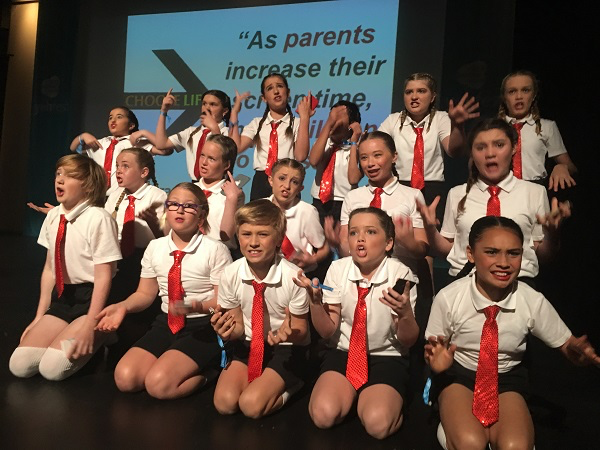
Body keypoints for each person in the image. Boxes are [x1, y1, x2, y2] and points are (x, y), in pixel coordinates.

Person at [425, 216, 600, 450]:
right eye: (492, 252)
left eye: (513, 253)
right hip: (460, 376)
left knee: (515, 445)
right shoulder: (449, 298)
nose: (504, 262)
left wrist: (575, 352)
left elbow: (566, 343)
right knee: (470, 443)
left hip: (507, 379)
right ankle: (451, 427)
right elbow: (434, 351)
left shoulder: (530, 299)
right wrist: (438, 364)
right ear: (470, 254)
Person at [95, 183, 232, 399]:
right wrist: (123, 307)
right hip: (167, 322)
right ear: (166, 210)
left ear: (201, 214)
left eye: (189, 206)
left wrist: (196, 306)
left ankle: (210, 372)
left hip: (203, 326)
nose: (180, 210)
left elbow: (223, 301)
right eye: (174, 204)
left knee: (158, 386)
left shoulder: (215, 249)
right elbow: (144, 294)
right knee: (125, 379)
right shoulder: (155, 247)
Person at [297, 207, 418, 439]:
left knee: (378, 425)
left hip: (386, 356)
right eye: (353, 232)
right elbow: (327, 331)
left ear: (389, 243)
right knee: (323, 415)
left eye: (370, 232)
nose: (360, 238)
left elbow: (408, 340)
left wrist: (404, 314)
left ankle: (377, 399)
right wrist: (315, 303)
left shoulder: (401, 275)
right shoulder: (337, 268)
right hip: (343, 352)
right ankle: (351, 395)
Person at [9, 154, 121, 380]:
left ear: (87, 185)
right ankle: (68, 330)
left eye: (70, 176)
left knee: (52, 369)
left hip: (92, 298)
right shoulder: (53, 216)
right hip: (64, 296)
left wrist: (89, 325)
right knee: (19, 366)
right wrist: (39, 317)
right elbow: (50, 269)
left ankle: (103, 335)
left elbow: (103, 277)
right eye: (58, 174)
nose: (59, 180)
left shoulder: (98, 218)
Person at [418, 118, 570, 285]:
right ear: (472, 153)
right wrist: (430, 229)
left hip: (517, 284)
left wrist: (552, 235)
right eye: (480, 147)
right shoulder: (457, 194)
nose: (490, 153)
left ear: (514, 147)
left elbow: (543, 256)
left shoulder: (534, 192)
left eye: (499, 145)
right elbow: (449, 250)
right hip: (465, 283)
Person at [211, 199, 310, 418]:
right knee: (225, 403)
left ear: (279, 239)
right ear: (238, 236)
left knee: (251, 406)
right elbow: (237, 327)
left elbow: (302, 330)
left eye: (263, 234)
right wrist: (226, 331)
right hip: (248, 344)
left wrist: (289, 334)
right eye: (246, 234)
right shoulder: (230, 273)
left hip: (286, 347)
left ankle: (295, 384)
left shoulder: (294, 277)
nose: (253, 242)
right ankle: (262, 383)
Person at [348, 73, 479, 223]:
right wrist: (358, 145)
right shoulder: (393, 120)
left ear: (433, 97)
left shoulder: (440, 118)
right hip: (400, 187)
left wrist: (457, 126)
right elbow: (376, 146)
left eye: (421, 91)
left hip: (431, 189)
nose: (414, 96)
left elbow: (453, 151)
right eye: (409, 92)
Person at [229, 73, 313, 200]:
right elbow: (237, 147)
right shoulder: (256, 123)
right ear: (264, 98)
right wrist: (234, 113)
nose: (276, 91)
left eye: (280, 86)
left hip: (287, 179)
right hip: (261, 180)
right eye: (270, 88)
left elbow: (301, 156)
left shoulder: (297, 123)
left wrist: (305, 118)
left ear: (288, 92)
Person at [498, 70, 577, 192]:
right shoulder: (494, 129)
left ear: (534, 95)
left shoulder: (547, 127)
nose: (519, 97)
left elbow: (571, 167)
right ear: (504, 97)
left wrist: (562, 167)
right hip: (501, 190)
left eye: (525, 90)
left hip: (535, 189)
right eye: (512, 91)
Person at [70, 106, 154, 196]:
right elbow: (73, 148)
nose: (113, 120)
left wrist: (144, 133)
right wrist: (82, 136)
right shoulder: (100, 143)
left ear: (131, 125)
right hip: (97, 196)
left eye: (119, 117)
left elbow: (162, 148)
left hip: (123, 196)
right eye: (110, 118)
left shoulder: (135, 143)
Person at [268, 158, 329, 278]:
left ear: (300, 188)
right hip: (269, 272)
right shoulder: (260, 208)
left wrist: (312, 259)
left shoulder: (307, 211)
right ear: (270, 180)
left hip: (301, 273)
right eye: (282, 178)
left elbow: (323, 248)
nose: (287, 186)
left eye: (294, 182)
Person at [153, 89, 232, 181]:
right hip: (195, 184)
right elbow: (161, 144)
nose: (207, 108)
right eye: (204, 104)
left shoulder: (228, 133)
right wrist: (163, 111)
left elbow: (222, 155)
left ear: (225, 111)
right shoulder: (191, 132)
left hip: (218, 184)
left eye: (213, 104)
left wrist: (214, 128)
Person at [309, 100, 361, 225]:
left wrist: (354, 142)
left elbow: (354, 179)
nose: (333, 120)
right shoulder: (324, 142)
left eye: (337, 117)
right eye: (331, 116)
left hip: (343, 202)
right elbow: (313, 161)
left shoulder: (358, 147)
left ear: (351, 124)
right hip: (319, 200)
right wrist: (328, 124)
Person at [192, 134, 244, 254]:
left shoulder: (234, 192)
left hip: (220, 253)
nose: (204, 162)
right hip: (190, 252)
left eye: (211, 159)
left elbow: (226, 235)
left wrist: (232, 198)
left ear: (226, 165)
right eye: (202, 155)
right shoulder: (191, 190)